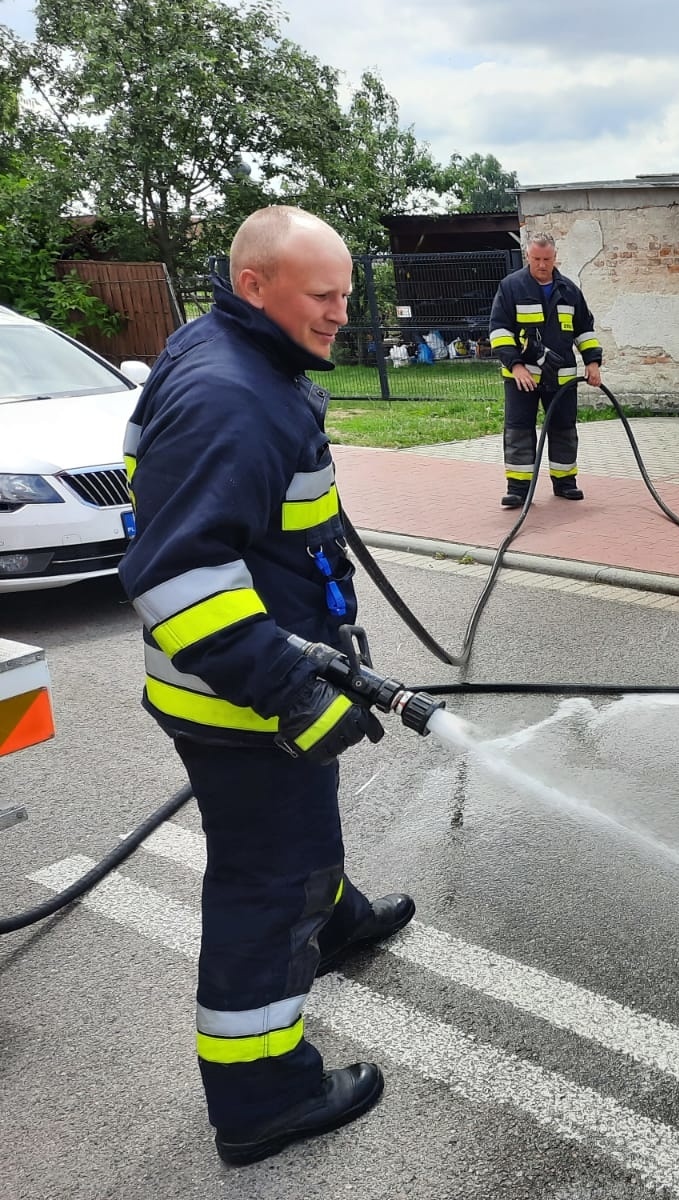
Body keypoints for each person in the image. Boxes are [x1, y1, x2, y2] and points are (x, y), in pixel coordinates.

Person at [117, 206, 414, 1166]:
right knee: (266, 874)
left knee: (297, 832)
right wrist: (292, 689)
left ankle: (333, 919)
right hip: (237, 699)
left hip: (260, 668)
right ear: (256, 287)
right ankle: (262, 1096)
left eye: (343, 293)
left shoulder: (229, 353)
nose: (340, 313)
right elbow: (179, 576)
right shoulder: (232, 395)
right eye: (323, 296)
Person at [488, 231, 604, 506]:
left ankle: (565, 483)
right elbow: (499, 331)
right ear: (527, 256)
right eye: (536, 258)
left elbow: (584, 330)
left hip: (561, 377)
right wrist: (516, 366)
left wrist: (593, 362)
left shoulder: (569, 291)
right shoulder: (511, 287)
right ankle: (518, 490)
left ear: (555, 257)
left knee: (564, 429)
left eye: (547, 259)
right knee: (519, 431)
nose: (542, 264)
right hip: (522, 378)